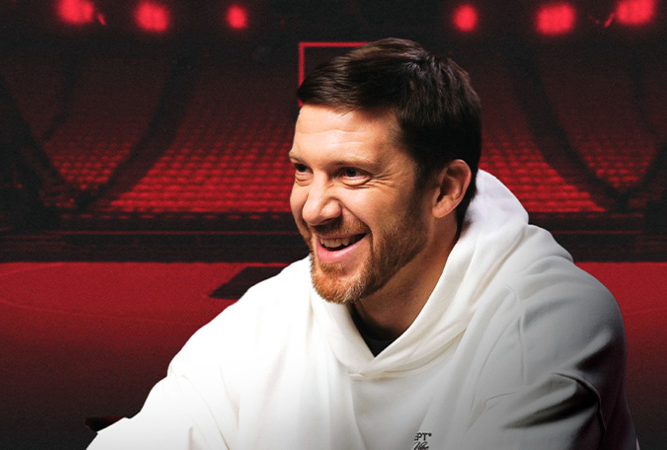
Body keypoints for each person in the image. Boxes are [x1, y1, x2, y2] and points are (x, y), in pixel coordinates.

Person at [87, 38, 637, 449]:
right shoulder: (263, 319)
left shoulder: (550, 321)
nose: (314, 209)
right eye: (303, 170)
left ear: (444, 189)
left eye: (352, 173)